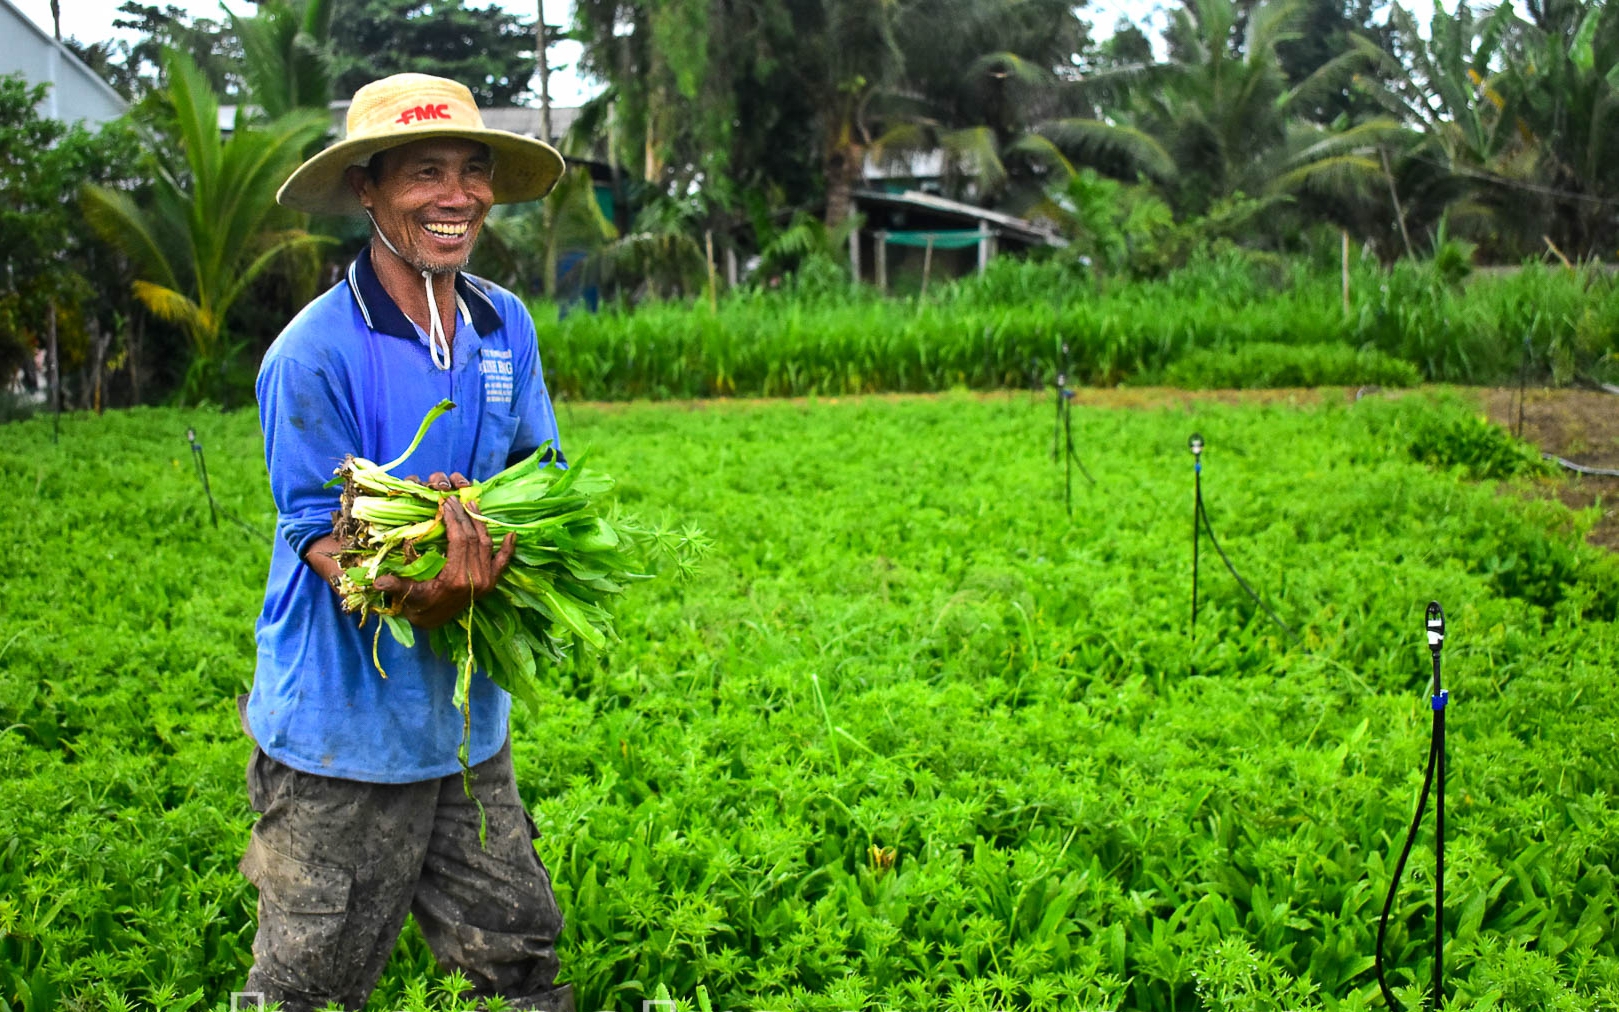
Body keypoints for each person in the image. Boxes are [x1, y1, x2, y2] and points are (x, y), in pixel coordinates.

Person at [241, 73, 574, 1012]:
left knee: (518, 959)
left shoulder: (503, 322)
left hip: (464, 724)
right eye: (425, 170)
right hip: (343, 739)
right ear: (369, 190)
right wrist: (415, 589)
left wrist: (498, 525)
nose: (457, 194)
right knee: (308, 985)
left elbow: (540, 465)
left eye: (472, 170)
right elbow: (319, 528)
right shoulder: (314, 352)